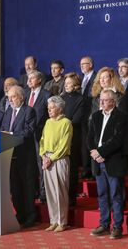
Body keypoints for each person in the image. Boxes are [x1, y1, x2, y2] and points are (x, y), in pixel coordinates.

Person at [88, 90, 126, 240]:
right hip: (97, 162)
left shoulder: (121, 117)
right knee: (102, 194)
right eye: (100, 100)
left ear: (113, 102)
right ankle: (104, 224)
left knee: (116, 195)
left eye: (105, 100)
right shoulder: (96, 116)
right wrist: (93, 152)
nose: (101, 103)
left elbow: (117, 140)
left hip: (113, 161)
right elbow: (89, 137)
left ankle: (117, 227)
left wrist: (101, 153)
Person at [0, 85, 39, 228]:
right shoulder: (8, 111)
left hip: (25, 156)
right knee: (15, 188)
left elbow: (28, 131)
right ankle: (20, 214)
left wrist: (10, 136)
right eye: (8, 97)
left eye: (13, 97)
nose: (10, 100)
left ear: (21, 97)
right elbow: (3, 129)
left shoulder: (29, 111)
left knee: (27, 187)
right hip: (10, 156)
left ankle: (31, 216)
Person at [39, 96, 73, 232]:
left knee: (60, 192)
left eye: (52, 108)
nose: (49, 110)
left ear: (60, 108)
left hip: (59, 160)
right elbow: (42, 140)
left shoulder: (66, 123)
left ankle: (62, 221)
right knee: (50, 192)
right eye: (48, 108)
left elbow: (64, 145)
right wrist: (43, 155)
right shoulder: (48, 122)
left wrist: (51, 158)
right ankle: (53, 220)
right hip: (47, 159)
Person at [25, 70, 51, 202]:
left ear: (39, 80)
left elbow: (50, 114)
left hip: (41, 134)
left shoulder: (46, 94)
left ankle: (43, 193)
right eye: (28, 78)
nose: (29, 81)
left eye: (32, 78)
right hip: (26, 135)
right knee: (30, 165)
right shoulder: (25, 93)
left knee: (41, 165)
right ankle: (32, 191)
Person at [61, 72, 84, 206]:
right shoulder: (61, 97)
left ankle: (71, 198)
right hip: (60, 137)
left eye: (69, 83)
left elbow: (77, 119)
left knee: (72, 168)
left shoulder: (80, 99)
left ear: (76, 84)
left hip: (73, 137)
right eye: (66, 83)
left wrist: (62, 123)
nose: (67, 85)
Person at [80, 56, 96, 180]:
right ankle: (86, 168)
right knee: (84, 143)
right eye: (80, 64)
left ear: (90, 64)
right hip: (82, 116)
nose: (81, 66)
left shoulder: (96, 78)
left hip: (92, 115)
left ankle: (92, 169)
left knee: (92, 142)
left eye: (84, 64)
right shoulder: (80, 79)